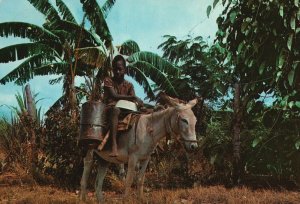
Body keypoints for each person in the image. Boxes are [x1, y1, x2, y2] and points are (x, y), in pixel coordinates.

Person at [103, 55, 142, 157]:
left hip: (126, 110)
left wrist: (139, 102)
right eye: (115, 69)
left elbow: (134, 101)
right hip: (110, 109)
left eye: (120, 69)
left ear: (125, 70)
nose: (117, 72)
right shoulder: (108, 80)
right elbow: (114, 96)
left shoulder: (129, 85)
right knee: (115, 110)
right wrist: (133, 98)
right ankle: (114, 145)